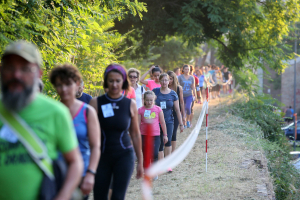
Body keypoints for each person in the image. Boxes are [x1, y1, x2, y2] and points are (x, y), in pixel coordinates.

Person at [0, 40, 83, 200]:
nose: (17, 75)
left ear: (39, 73)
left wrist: (63, 197)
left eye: (25, 69)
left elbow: (75, 162)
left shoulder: (56, 112)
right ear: (1, 71)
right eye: (10, 68)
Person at [90, 64, 143, 200]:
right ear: (106, 81)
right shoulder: (96, 103)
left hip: (124, 156)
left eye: (118, 81)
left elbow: (136, 134)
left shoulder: (130, 104)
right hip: (101, 157)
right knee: (100, 196)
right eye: (111, 80)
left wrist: (141, 162)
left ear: (123, 82)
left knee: (118, 197)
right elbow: (88, 133)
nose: (114, 84)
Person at [50, 64, 101, 199]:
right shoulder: (51, 112)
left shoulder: (87, 111)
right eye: (59, 85)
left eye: (68, 84)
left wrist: (91, 173)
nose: (64, 89)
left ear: (77, 84)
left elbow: (95, 146)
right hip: (56, 172)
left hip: (81, 173)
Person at [153, 73, 184, 168]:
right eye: (162, 80)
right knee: (159, 142)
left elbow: (177, 110)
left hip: (169, 121)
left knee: (168, 141)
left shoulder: (173, 93)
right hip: (157, 122)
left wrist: (181, 124)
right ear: (159, 81)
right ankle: (161, 164)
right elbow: (150, 106)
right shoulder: (155, 91)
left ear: (169, 81)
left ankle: (168, 164)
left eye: (166, 80)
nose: (164, 82)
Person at [138, 91, 167, 179]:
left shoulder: (158, 109)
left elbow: (162, 122)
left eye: (151, 100)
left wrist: (165, 134)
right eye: (147, 100)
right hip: (144, 135)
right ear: (144, 100)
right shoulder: (140, 110)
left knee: (154, 154)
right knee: (145, 154)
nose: (149, 102)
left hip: (155, 135)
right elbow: (138, 123)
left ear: (154, 99)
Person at [167, 71, 185, 153]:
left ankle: (172, 152)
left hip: (176, 113)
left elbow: (181, 102)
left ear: (174, 79)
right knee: (167, 133)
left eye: (171, 79)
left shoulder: (178, 88)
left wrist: (183, 115)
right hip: (166, 112)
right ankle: (166, 150)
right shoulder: (163, 88)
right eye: (168, 79)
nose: (170, 81)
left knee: (173, 132)